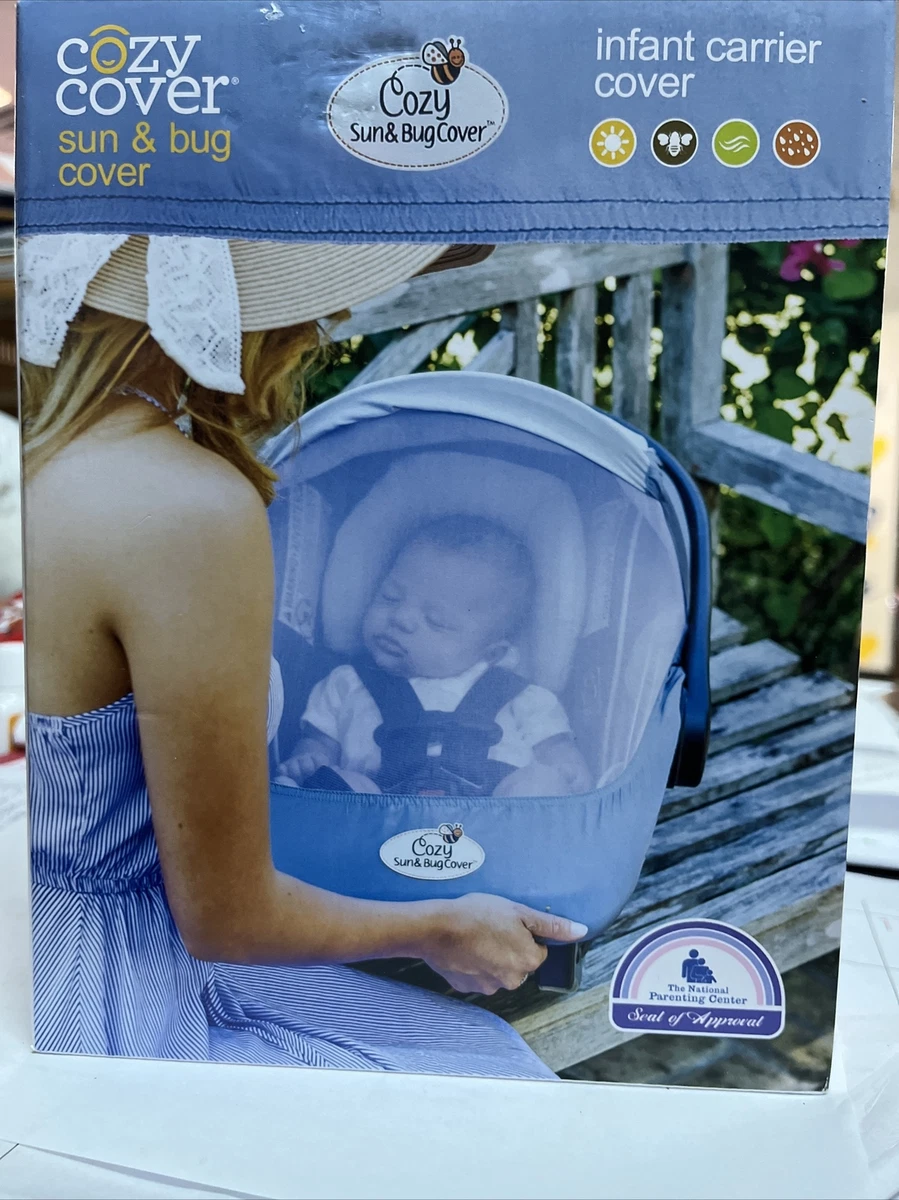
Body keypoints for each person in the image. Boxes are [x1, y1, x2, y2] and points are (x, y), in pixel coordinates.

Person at [19, 232, 587, 1079]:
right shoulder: (184, 510)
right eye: (317, 299)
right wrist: (442, 928)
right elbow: (227, 917)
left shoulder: (38, 451)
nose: (335, 318)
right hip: (95, 982)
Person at [277, 514, 591, 797]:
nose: (401, 618)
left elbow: (556, 746)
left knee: (540, 783)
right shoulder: (345, 683)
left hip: (495, 817)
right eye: (390, 597)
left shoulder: (522, 697)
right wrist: (310, 758)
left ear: (491, 653)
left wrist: (567, 766)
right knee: (332, 784)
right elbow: (320, 741)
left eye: (436, 621)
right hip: (376, 811)